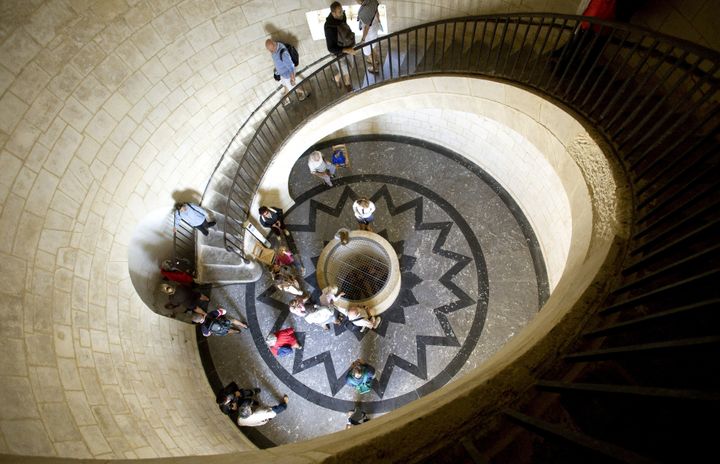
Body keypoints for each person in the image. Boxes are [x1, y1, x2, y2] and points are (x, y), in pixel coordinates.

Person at [324, 1, 357, 92]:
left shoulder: (342, 17)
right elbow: (331, 48)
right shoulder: (329, 27)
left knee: (350, 67)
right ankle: (349, 89)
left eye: (342, 10)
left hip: (347, 47)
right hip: (337, 52)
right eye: (339, 12)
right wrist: (347, 50)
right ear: (333, 13)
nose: (342, 13)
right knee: (346, 71)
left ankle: (336, 78)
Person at [266, 39, 308, 106]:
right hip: (282, 75)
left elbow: (291, 67)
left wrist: (292, 79)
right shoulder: (274, 49)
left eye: (271, 49)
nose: (271, 52)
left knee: (293, 88)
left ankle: (304, 93)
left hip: (288, 75)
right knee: (286, 86)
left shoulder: (283, 53)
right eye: (269, 50)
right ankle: (287, 99)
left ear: (274, 45)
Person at [356, 0, 381, 73]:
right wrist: (379, 21)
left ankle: (375, 67)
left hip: (369, 31)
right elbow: (377, 12)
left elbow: (367, 26)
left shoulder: (364, 11)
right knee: (373, 45)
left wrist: (363, 39)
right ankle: (376, 60)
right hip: (375, 26)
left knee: (367, 50)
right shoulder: (372, 1)